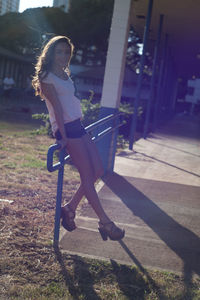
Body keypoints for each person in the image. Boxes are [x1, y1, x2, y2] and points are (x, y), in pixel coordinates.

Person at [32, 35, 125, 241]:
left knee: (98, 170)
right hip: (67, 130)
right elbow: (56, 108)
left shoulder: (65, 74)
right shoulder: (47, 77)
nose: (64, 55)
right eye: (59, 51)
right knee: (87, 176)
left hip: (78, 126)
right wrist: (62, 137)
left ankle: (70, 207)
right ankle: (105, 222)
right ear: (50, 53)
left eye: (67, 52)